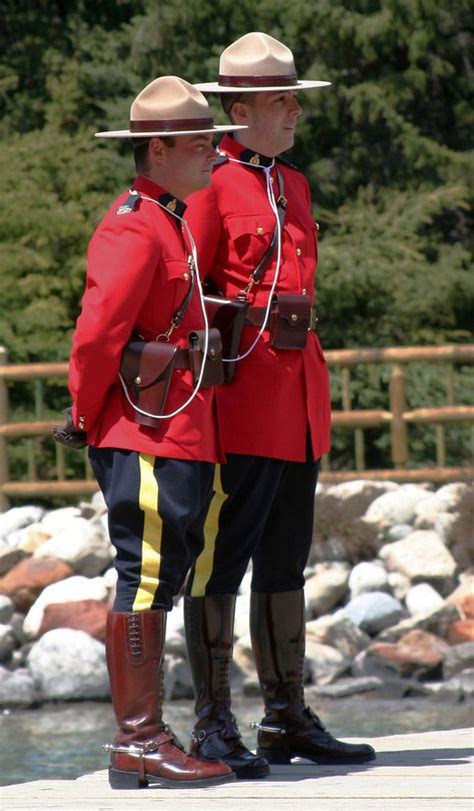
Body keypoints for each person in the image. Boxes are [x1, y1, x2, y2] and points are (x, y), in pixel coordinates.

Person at [183, 33, 376, 777]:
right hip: (240, 399)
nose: (295, 112)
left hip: (297, 399)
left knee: (287, 558)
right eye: (281, 101)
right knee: (222, 560)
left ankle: (286, 714)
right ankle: (211, 721)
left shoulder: (293, 185)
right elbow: (190, 298)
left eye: (295, 99)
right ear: (239, 109)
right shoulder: (208, 185)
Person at [67, 75, 247, 790]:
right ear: (159, 148)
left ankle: (145, 738)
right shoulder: (134, 223)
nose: (213, 152)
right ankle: (138, 739)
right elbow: (97, 336)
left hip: (173, 430)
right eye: (200, 142)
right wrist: (84, 415)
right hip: (141, 430)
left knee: (161, 577)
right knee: (143, 577)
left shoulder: (168, 217)